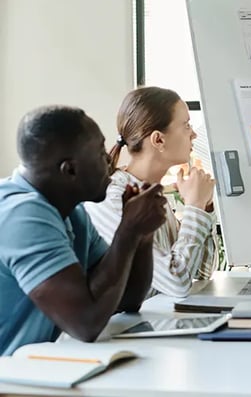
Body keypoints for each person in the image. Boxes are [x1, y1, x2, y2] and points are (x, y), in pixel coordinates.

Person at [0, 106, 167, 355]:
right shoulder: (22, 214)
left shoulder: (72, 213)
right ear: (70, 170)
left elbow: (127, 299)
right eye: (100, 153)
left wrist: (142, 234)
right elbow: (85, 323)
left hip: (27, 372)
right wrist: (129, 230)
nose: (110, 160)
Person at [85, 87, 218, 298]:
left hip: (151, 320)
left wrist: (204, 205)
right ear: (158, 140)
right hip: (118, 327)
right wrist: (195, 207)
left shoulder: (153, 194)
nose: (194, 134)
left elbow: (201, 273)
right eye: (186, 125)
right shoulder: (114, 197)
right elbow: (178, 283)